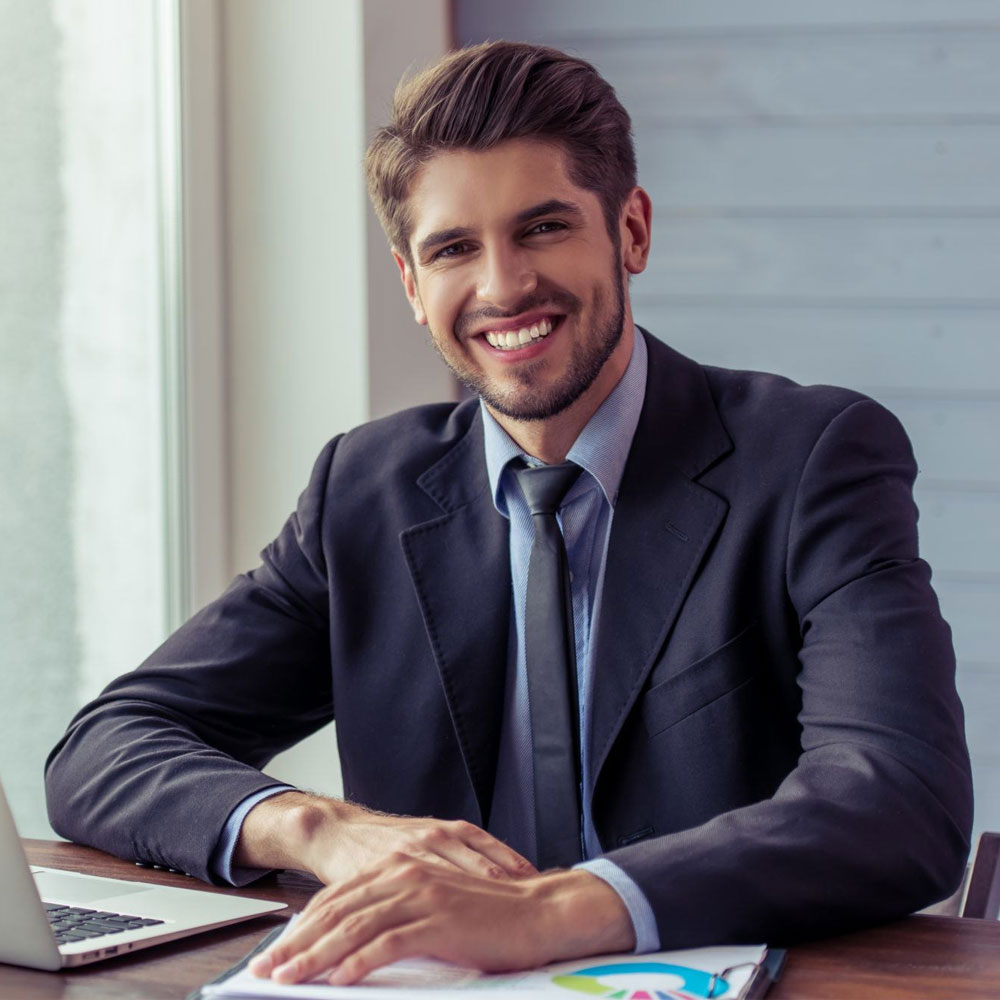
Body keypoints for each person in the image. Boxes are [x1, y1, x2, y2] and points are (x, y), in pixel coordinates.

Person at [46, 41, 972, 987]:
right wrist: (323, 829)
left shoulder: (814, 456)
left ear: (633, 232)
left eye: (542, 228)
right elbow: (107, 747)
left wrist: (555, 912)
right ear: (412, 285)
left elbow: (898, 800)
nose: (502, 288)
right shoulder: (363, 490)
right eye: (454, 249)